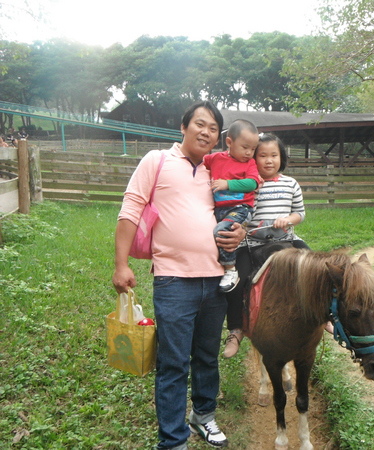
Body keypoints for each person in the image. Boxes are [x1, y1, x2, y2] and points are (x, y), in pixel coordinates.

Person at [112, 101, 245, 450]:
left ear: (219, 137)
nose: (206, 131)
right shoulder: (157, 161)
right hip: (173, 281)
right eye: (199, 124)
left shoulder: (216, 171)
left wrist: (241, 232)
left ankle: (203, 416)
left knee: (206, 356)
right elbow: (130, 209)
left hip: (216, 279)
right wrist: (121, 264)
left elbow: (236, 210)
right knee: (173, 363)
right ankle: (173, 441)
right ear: (183, 127)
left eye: (213, 127)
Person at [222, 133, 309, 358]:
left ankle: (324, 316)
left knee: (315, 268)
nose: (269, 160)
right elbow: (239, 212)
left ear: (282, 157)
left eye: (274, 155)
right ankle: (236, 330)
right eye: (263, 155)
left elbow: (300, 213)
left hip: (286, 240)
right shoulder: (249, 185)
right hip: (251, 243)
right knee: (236, 281)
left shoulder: (291, 184)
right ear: (253, 158)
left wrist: (288, 220)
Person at [203, 119, 261, 293]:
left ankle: (230, 269)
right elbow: (198, 161)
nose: (249, 153)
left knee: (221, 231)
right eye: (245, 147)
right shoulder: (215, 159)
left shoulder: (249, 164)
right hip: (219, 209)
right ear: (229, 142)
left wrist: (227, 184)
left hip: (240, 208)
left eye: (253, 149)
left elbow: (252, 183)